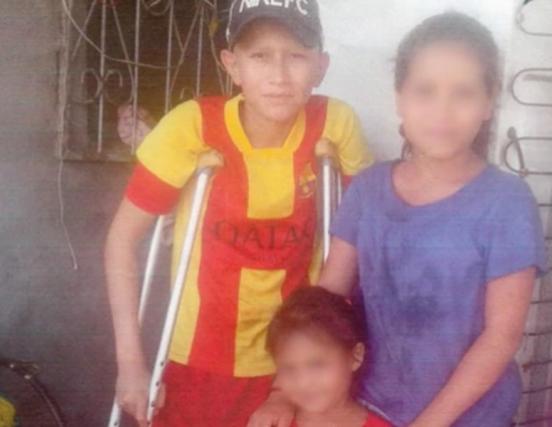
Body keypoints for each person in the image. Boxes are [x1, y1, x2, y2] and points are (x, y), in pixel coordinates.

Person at [103, 0, 374, 425]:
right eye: (260, 56)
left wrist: (287, 387)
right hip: (197, 354)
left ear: (320, 67)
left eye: (296, 56)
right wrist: (131, 364)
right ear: (232, 65)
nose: (279, 75)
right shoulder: (193, 125)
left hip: (296, 364)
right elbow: (122, 240)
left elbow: (362, 228)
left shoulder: (334, 123)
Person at [317, 12, 548, 427]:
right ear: (399, 99)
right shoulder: (367, 191)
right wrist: (286, 392)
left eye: (463, 93)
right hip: (371, 408)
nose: (443, 111)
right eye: (425, 91)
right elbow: (325, 303)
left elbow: (501, 337)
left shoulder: (507, 204)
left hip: (472, 418)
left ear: (488, 102)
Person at [266, 286, 391, 427]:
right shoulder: (271, 423)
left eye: (317, 365)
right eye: (289, 369)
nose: (303, 382)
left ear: (356, 356)